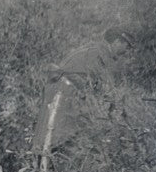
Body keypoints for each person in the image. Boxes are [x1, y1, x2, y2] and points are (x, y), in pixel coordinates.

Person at [33, 28, 134, 157]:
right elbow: (100, 85)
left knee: (62, 137)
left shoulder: (99, 51)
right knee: (55, 137)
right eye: (127, 46)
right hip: (63, 93)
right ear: (117, 42)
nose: (127, 51)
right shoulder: (97, 53)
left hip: (68, 93)